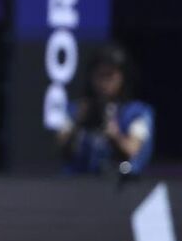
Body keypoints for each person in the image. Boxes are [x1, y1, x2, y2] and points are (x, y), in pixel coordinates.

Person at [58, 43, 154, 177]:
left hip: (122, 186)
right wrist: (78, 125)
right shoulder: (76, 110)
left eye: (110, 75)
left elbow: (132, 150)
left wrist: (114, 135)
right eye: (99, 75)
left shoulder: (137, 112)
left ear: (122, 77)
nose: (104, 82)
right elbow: (61, 150)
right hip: (79, 184)